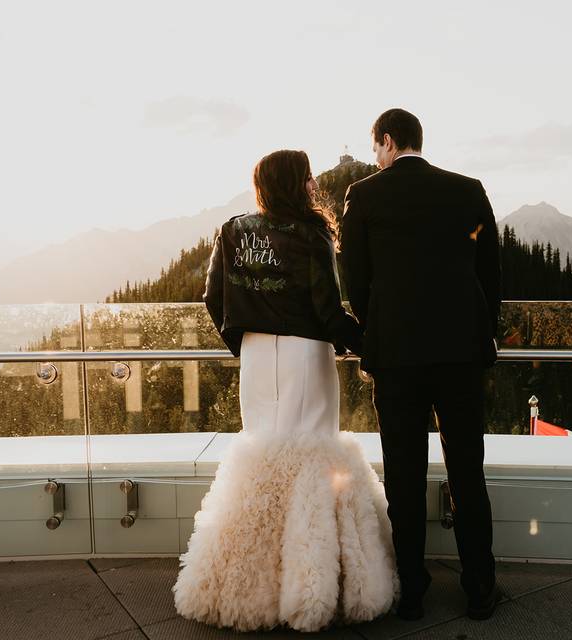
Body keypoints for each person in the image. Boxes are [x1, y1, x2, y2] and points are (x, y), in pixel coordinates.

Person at [173, 149, 397, 632]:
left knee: (264, 459)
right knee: (311, 456)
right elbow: (326, 308)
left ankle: (248, 586)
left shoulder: (233, 230)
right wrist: (369, 345)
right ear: (297, 183)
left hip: (256, 356)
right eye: (309, 176)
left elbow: (213, 296)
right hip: (304, 356)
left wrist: (243, 341)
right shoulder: (311, 234)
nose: (315, 182)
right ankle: (309, 586)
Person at [340, 108, 502, 621]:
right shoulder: (467, 190)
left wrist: (378, 325)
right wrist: (478, 328)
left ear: (388, 141)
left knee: (404, 476)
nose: (376, 158)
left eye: (376, 148)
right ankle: (479, 587)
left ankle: (412, 591)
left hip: (397, 359)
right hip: (460, 355)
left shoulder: (365, 196)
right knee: (467, 473)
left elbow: (355, 279)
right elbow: (491, 273)